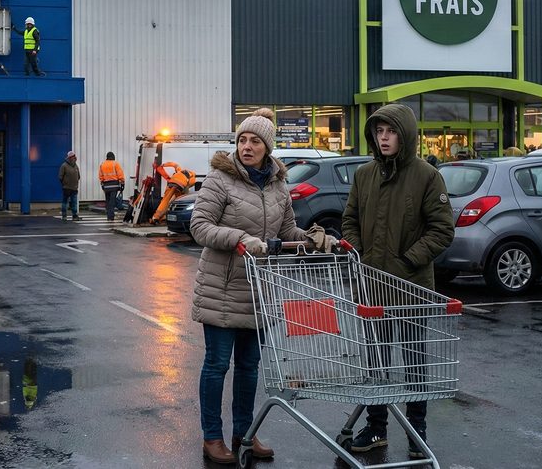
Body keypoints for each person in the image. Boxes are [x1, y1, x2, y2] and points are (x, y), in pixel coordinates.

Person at [190, 108, 335, 465]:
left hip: (259, 290)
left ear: (268, 147)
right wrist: (240, 238)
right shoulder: (220, 181)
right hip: (222, 289)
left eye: (255, 141)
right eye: (242, 139)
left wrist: (315, 238)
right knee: (217, 365)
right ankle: (212, 436)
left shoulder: (278, 186)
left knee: (249, 367)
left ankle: (244, 433)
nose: (247, 146)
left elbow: (287, 233)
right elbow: (199, 226)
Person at [341, 104, 454, 460]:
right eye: (379, 131)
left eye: (390, 131)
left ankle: (417, 428)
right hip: (371, 287)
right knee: (375, 361)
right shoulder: (364, 175)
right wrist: (359, 255)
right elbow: (350, 221)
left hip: (410, 288)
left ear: (404, 135)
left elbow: (442, 229)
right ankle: (377, 428)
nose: (383, 137)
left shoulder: (426, 176)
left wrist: (408, 261)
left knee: (414, 361)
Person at [98, 151, 126, 222]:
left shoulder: (102, 165)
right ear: (113, 157)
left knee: (108, 201)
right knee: (112, 201)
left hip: (106, 186)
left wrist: (102, 184)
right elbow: (120, 174)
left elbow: (100, 176)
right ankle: (111, 217)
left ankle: (108, 216)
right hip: (114, 185)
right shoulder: (115, 164)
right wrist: (122, 183)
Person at [58, 151, 81, 221]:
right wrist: (64, 183)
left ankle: (74, 216)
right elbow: (60, 177)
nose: (74, 157)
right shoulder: (64, 165)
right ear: (70, 157)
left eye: (74, 156)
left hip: (74, 188)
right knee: (65, 202)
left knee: (74, 203)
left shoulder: (76, 165)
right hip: (66, 188)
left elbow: (78, 176)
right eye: (73, 156)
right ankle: (64, 216)